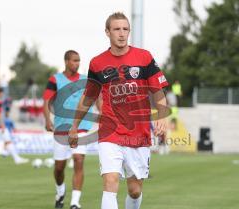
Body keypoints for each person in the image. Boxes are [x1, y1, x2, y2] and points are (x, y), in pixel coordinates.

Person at [68, 12, 169, 209]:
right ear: (107, 32)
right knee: (110, 182)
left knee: (135, 190)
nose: (121, 34)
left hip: (138, 134)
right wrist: (74, 127)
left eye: (125, 29)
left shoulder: (144, 57)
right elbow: (88, 97)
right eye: (116, 29)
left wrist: (162, 115)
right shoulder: (97, 63)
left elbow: (158, 90)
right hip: (110, 131)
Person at [43, 50, 94, 209]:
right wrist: (47, 119)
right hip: (61, 128)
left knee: (79, 160)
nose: (77, 63)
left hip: (81, 127)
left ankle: (74, 203)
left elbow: (96, 98)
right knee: (59, 168)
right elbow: (46, 101)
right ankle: (60, 192)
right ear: (66, 61)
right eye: (74, 60)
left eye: (79, 60)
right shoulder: (55, 79)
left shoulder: (86, 80)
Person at [0, 87, 29, 164]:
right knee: (8, 141)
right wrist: (2, 125)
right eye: (1, 92)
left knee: (8, 141)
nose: (2, 94)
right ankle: (17, 159)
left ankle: (16, 158)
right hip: (0, 126)